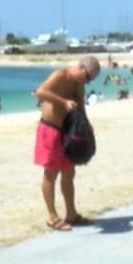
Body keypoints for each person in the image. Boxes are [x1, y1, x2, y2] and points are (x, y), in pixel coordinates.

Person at [33, 56, 100, 231]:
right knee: (51, 173)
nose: (87, 81)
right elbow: (40, 92)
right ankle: (52, 216)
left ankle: (71, 213)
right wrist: (63, 102)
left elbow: (81, 107)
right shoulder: (60, 75)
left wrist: (87, 127)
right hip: (50, 128)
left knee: (69, 173)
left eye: (90, 79)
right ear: (80, 67)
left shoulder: (79, 84)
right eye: (87, 77)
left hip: (68, 131)